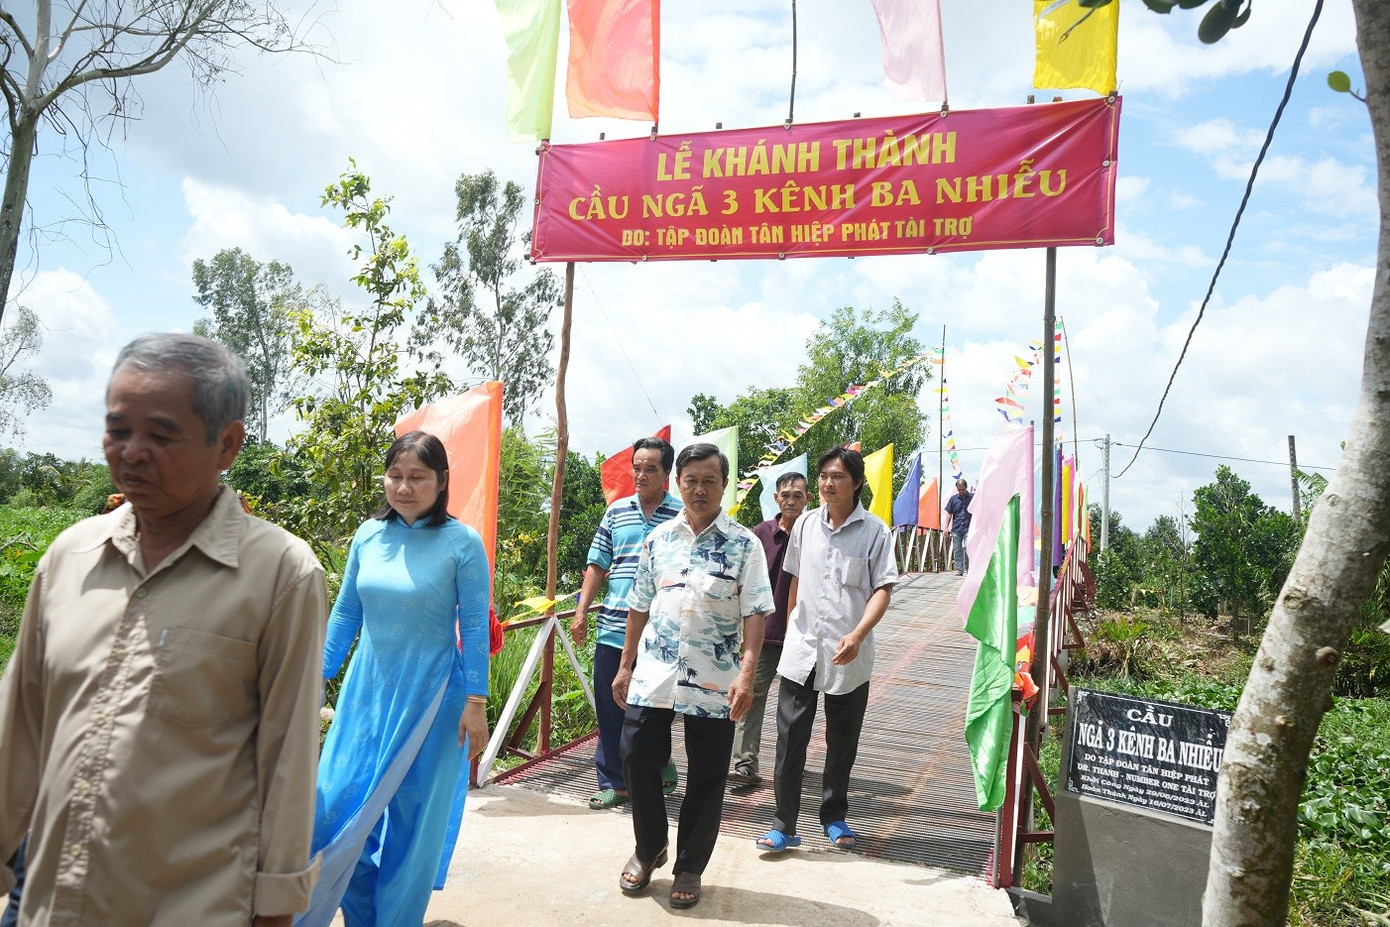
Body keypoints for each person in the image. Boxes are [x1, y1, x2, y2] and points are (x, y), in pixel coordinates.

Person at [0, 333, 327, 926]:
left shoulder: (280, 574)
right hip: (52, 904)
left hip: (189, 908)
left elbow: (289, 757)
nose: (132, 452)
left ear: (227, 444)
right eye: (118, 430)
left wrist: (277, 908)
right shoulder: (69, 558)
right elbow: (19, 727)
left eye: (161, 434)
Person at [299, 431, 491, 927]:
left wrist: (477, 700)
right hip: (367, 695)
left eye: (418, 477)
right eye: (396, 476)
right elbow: (345, 614)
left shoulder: (462, 543)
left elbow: (472, 625)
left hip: (434, 701)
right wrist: (316, 677)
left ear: (441, 481)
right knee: (335, 815)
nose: (404, 487)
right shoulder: (368, 535)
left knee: (412, 828)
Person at [613, 443, 773, 910]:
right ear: (677, 483)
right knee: (636, 755)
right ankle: (650, 848)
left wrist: (745, 676)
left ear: (725, 485)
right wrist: (625, 665)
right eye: (691, 480)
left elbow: (756, 612)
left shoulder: (745, 545)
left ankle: (689, 866)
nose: (699, 489)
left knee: (707, 773)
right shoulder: (658, 540)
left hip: (715, 680)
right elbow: (638, 605)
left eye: (710, 481)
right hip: (654, 674)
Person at [757, 446, 898, 854]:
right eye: (823, 476)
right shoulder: (804, 526)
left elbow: (883, 589)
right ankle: (784, 823)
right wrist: (790, 633)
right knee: (790, 738)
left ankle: (834, 817)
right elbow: (794, 582)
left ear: (856, 483)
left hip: (849, 654)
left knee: (842, 740)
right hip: (802, 649)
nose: (827, 483)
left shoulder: (875, 532)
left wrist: (858, 634)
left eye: (837, 476)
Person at [571, 437, 682, 810]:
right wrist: (582, 610)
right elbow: (597, 563)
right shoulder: (616, 512)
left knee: (658, 706)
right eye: (637, 467)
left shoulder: (682, 516)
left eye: (651, 468)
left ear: (667, 474)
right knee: (610, 705)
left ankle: (660, 762)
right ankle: (614, 782)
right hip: (615, 626)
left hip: (663, 632)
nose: (641, 474)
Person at [729, 470, 810, 789]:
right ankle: (745, 763)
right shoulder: (761, 534)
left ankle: (790, 764)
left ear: (807, 499)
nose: (791, 500)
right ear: (776, 498)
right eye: (785, 495)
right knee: (752, 696)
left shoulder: (814, 533)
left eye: (798, 495)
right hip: (764, 631)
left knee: (797, 705)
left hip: (803, 633)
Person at [946, 478, 974, 575]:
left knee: (967, 547)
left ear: (966, 488)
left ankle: (968, 568)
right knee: (957, 548)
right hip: (957, 527)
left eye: (963, 489)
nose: (961, 491)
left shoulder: (973, 498)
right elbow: (949, 514)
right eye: (959, 490)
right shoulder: (953, 499)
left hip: (969, 527)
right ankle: (959, 569)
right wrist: (946, 527)